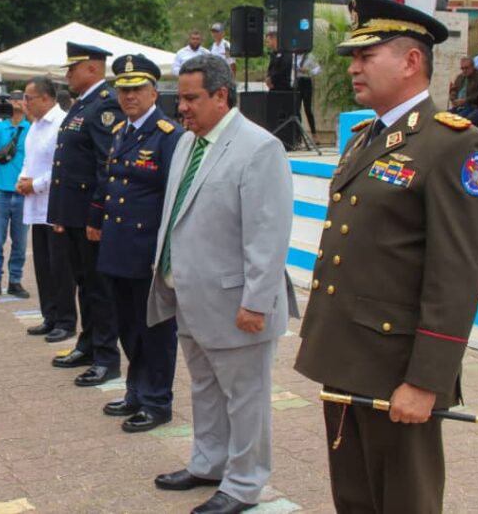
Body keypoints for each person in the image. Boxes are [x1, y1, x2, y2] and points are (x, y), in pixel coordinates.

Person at [294, 0, 478, 514]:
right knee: (355, 496)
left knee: (405, 500)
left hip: (395, 365)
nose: (354, 67)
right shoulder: (365, 137)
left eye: (367, 56)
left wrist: (426, 381)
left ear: (411, 62)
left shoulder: (452, 144)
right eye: (353, 57)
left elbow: (457, 272)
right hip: (347, 353)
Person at [148, 55, 294, 514]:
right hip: (192, 297)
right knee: (205, 389)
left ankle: (245, 484)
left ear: (221, 96)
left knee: (246, 399)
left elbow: (268, 236)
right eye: (181, 98)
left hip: (238, 305)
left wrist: (256, 302)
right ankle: (209, 464)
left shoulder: (259, 148)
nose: (182, 108)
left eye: (191, 98)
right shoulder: (190, 144)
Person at [97, 54, 182, 433]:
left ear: (153, 92)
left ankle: (157, 400)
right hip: (118, 248)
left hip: (147, 249)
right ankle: (135, 389)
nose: (129, 96)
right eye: (123, 89)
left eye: (137, 89)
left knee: (156, 329)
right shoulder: (121, 132)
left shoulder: (169, 135)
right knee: (128, 325)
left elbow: (174, 197)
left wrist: (166, 255)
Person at [48, 42, 123, 386]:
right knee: (85, 284)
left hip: (90, 217)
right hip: (75, 215)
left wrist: (97, 216)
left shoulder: (105, 106)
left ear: (92, 69)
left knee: (99, 289)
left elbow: (105, 165)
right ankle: (89, 344)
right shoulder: (83, 106)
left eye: (72, 68)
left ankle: (107, 356)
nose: (67, 74)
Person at [16, 76, 71, 339]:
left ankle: (65, 320)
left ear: (46, 98)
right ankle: (49, 315)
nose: (25, 103)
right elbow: (29, 160)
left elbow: (61, 167)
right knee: (42, 266)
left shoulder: (62, 123)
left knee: (60, 267)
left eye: (29, 98)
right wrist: (22, 179)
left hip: (55, 205)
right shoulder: (34, 127)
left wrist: (35, 184)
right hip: (35, 207)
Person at [0, 96, 31, 300]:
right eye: (13, 99)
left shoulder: (31, 127)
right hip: (0, 189)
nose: (15, 102)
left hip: (22, 191)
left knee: (20, 242)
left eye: (20, 98)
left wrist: (26, 111)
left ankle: (15, 281)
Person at [294, 50, 321, 133]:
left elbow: (318, 69)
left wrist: (309, 71)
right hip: (297, 82)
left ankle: (314, 134)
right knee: (296, 109)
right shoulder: (294, 56)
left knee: (307, 109)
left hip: (306, 81)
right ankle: (299, 134)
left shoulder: (310, 56)